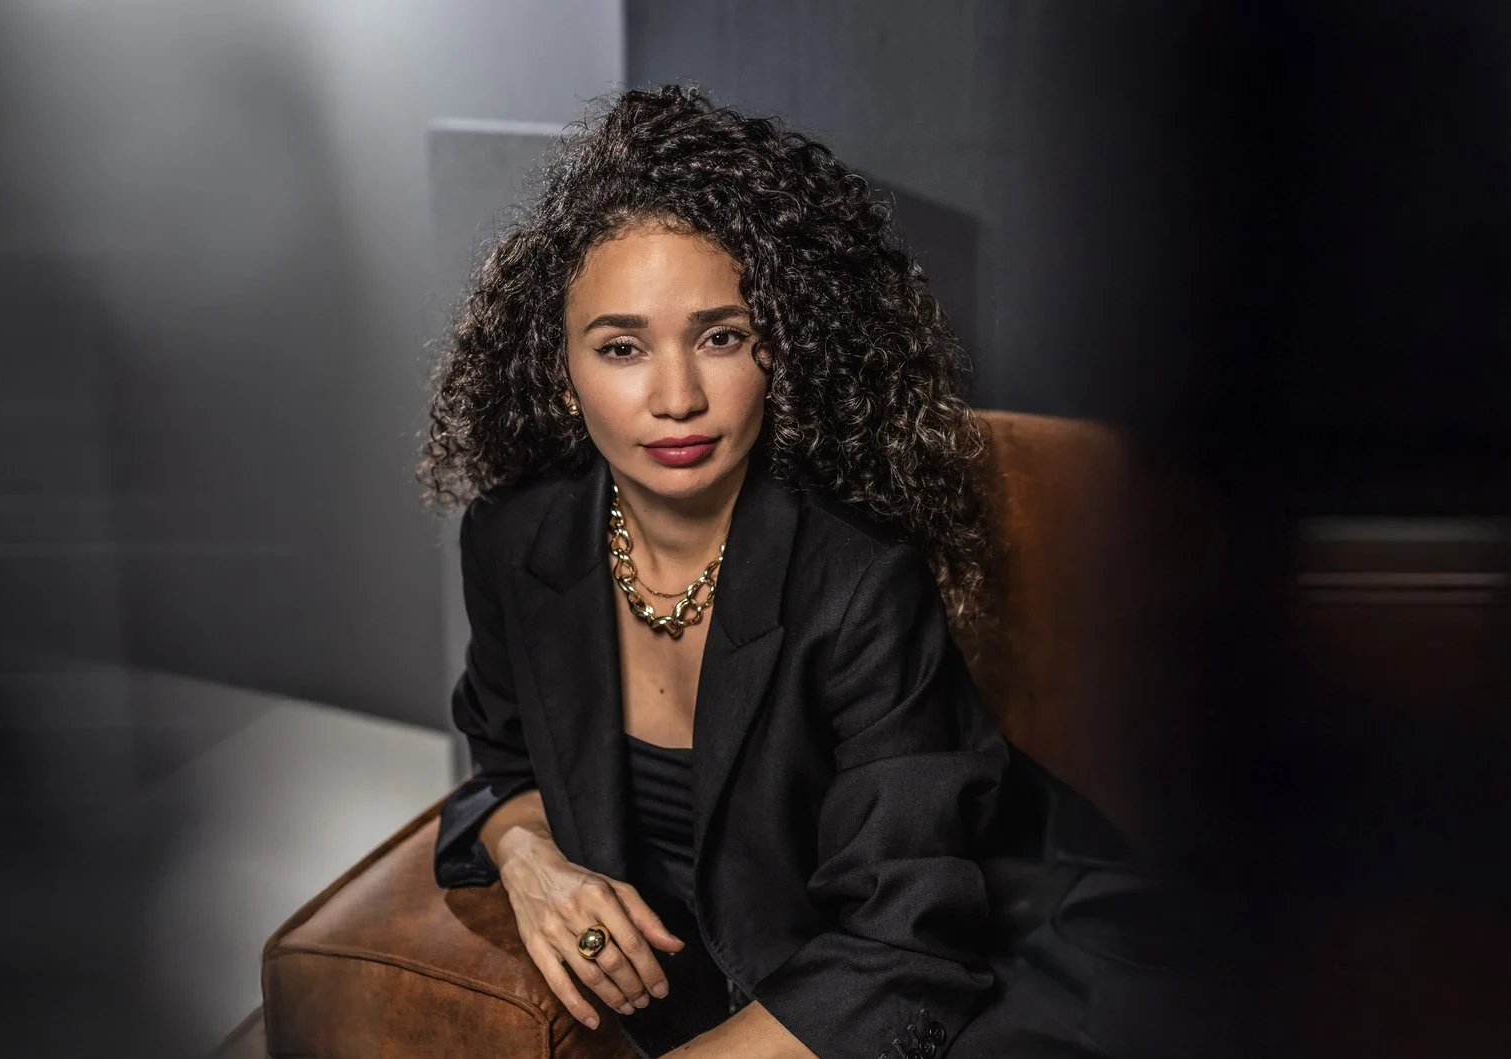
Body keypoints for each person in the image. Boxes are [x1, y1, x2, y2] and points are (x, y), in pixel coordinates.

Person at [422, 86, 1159, 1059]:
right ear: (563, 374)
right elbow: (503, 762)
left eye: (721, 336)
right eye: (622, 347)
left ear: (780, 348)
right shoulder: (517, 537)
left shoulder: (859, 578)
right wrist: (529, 858)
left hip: (998, 957)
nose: (677, 396)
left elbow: (905, 941)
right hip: (755, 974)